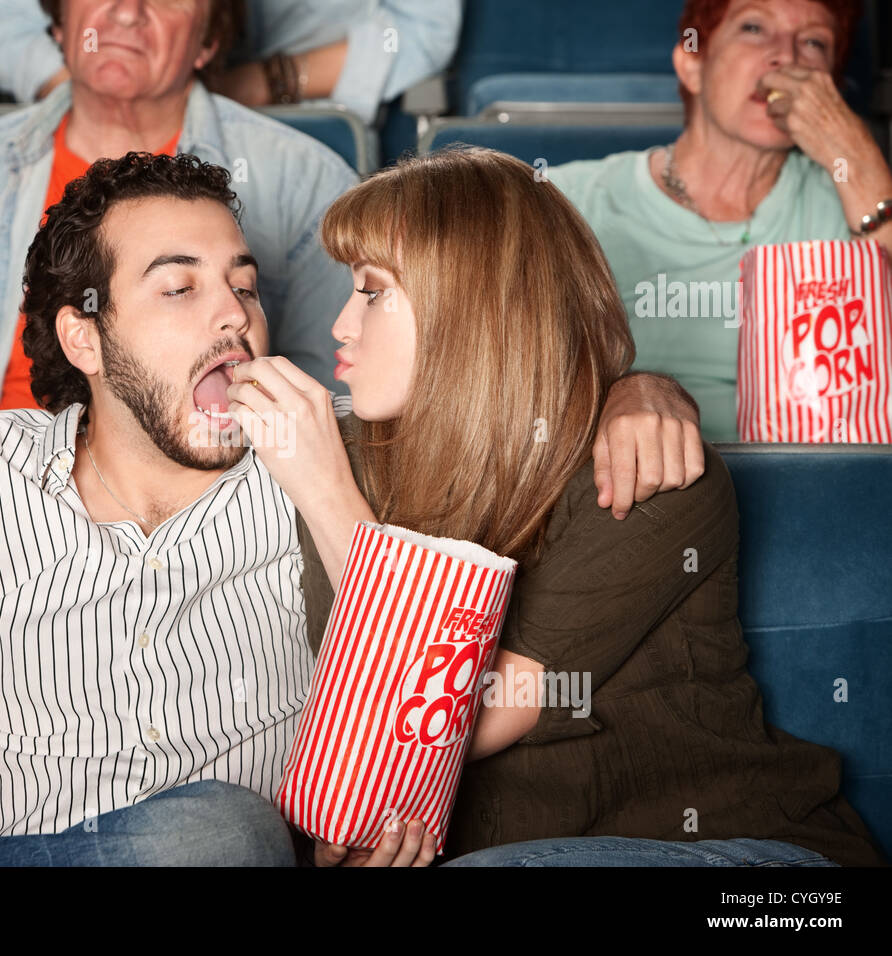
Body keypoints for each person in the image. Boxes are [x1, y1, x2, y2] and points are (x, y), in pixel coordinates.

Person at [0, 151, 701, 866]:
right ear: (84, 334)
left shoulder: (342, 459)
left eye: (244, 285)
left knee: (218, 834)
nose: (233, 314)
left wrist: (636, 387)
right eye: (180, 288)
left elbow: (497, 392)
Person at [226, 145, 883, 867]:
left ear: (472, 306)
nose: (340, 327)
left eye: (374, 292)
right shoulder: (352, 460)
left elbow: (427, 725)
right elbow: (365, 770)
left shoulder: (644, 471)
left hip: (740, 859)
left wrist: (326, 497)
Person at [0, 0, 360, 441]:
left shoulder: (307, 182)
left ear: (208, 41)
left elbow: (330, 391)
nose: (127, 12)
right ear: (59, 25)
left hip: (215, 488)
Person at [547, 0, 891, 442]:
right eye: (753, 27)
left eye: (813, 41)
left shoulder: (853, 199)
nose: (785, 56)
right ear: (692, 66)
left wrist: (852, 151)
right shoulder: (569, 199)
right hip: (625, 488)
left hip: (815, 487)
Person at [0, 0, 463, 126]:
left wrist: (258, 84)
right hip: (104, 117)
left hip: (296, 116)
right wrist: (108, 91)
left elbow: (421, 29)